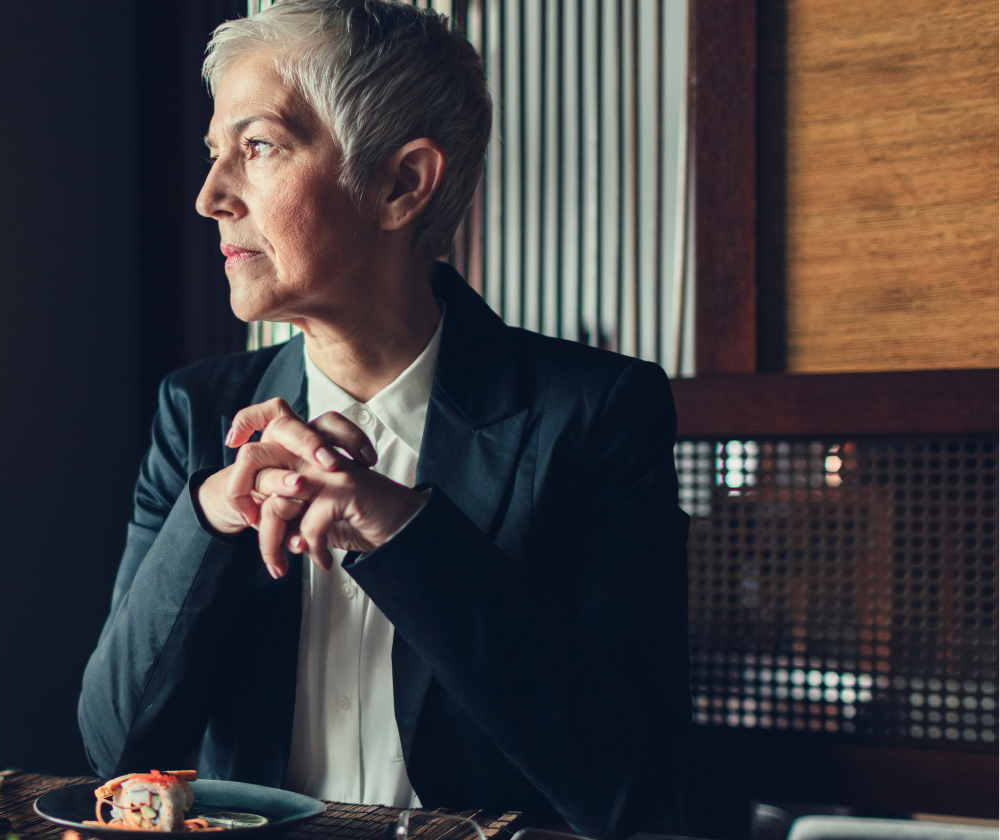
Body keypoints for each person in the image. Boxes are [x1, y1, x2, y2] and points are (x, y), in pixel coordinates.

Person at [78, 2, 688, 838]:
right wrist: (211, 516)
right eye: (216, 154)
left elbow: (633, 788)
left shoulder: (594, 415)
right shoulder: (197, 416)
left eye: (256, 148)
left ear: (402, 184)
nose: (210, 196)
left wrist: (410, 538)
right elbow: (115, 750)